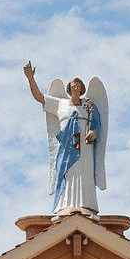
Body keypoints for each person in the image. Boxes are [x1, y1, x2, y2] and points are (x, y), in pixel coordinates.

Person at [23, 61, 105, 215]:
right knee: (68, 172)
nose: (76, 88)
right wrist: (30, 78)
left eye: (78, 86)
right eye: (73, 86)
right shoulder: (60, 104)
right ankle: (66, 205)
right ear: (69, 88)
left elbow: (97, 124)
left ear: (82, 89)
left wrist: (94, 132)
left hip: (85, 147)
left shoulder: (89, 105)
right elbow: (39, 97)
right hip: (67, 147)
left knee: (84, 172)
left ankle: (86, 205)